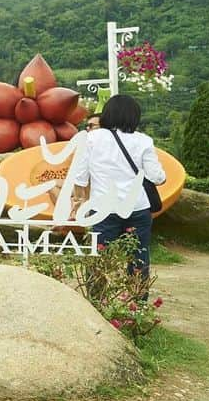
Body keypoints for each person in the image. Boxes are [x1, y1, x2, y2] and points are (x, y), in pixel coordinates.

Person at [71, 94, 165, 283]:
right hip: (137, 208)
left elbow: (80, 178)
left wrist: (78, 202)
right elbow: (157, 177)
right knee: (139, 258)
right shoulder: (143, 140)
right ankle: (137, 305)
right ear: (134, 117)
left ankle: (96, 301)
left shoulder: (91, 138)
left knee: (98, 258)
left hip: (103, 209)